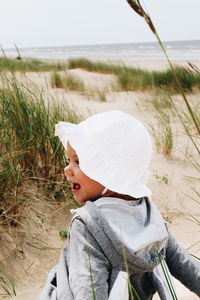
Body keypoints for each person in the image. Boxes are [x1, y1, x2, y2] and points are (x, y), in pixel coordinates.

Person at [36, 110, 200, 300]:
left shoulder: (88, 224)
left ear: (109, 170)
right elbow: (185, 265)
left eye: (79, 161)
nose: (67, 170)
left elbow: (88, 289)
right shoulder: (148, 214)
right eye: (69, 161)